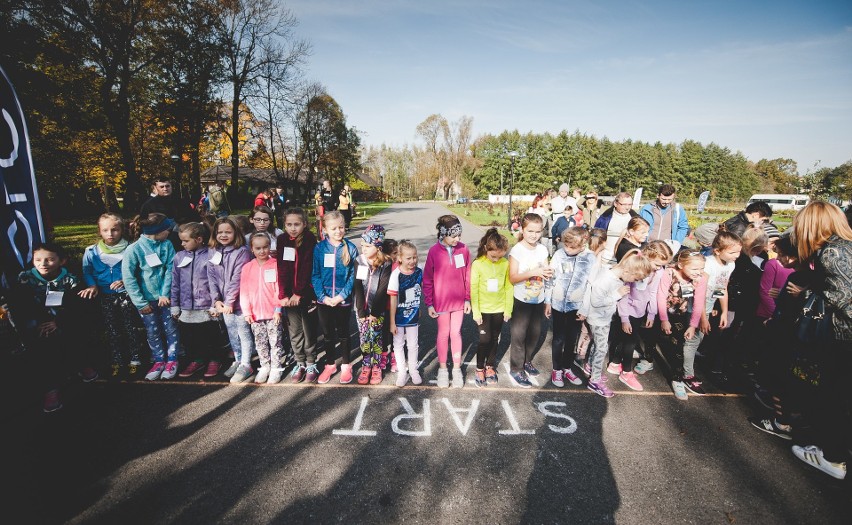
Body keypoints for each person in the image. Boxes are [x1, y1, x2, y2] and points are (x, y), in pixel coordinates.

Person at [789, 201, 852, 480]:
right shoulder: (845, 245)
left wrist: (803, 295)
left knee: (835, 397)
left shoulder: (832, 252)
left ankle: (833, 459)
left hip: (843, 337)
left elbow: (842, 296)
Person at [11, 242, 96, 412]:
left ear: (62, 261)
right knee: (43, 349)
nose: (43, 264)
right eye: (38, 260)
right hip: (38, 322)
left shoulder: (70, 279)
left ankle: (80, 364)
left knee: (74, 336)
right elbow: (21, 304)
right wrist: (43, 322)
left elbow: (76, 305)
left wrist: (59, 322)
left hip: (64, 320)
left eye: (50, 259)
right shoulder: (25, 278)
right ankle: (51, 389)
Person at [579, 250, 654, 397]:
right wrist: (617, 294)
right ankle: (594, 381)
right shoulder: (607, 279)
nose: (633, 282)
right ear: (628, 270)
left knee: (598, 345)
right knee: (601, 348)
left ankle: (591, 367)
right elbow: (596, 301)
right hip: (598, 319)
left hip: (604, 318)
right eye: (635, 278)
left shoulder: (619, 276)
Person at [80, 213, 145, 379]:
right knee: (112, 329)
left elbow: (139, 270)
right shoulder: (91, 251)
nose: (110, 234)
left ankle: (135, 359)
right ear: (99, 231)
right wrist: (92, 286)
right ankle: (117, 360)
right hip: (105, 297)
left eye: (114, 230)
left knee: (130, 327)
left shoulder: (131, 248)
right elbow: (87, 271)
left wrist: (125, 281)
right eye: (105, 230)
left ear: (122, 230)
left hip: (126, 296)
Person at [122, 213, 180, 381]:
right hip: (146, 302)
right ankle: (159, 360)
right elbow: (129, 278)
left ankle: (172, 360)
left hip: (166, 299)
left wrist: (164, 293)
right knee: (152, 332)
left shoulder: (167, 244)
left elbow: (171, 269)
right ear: (158, 230)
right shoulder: (133, 249)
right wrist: (140, 303)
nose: (170, 231)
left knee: (171, 329)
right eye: (167, 229)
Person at [423, 214, 472, 388]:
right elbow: (427, 279)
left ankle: (456, 369)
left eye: (459, 235)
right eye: (454, 235)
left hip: (459, 302)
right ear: (443, 233)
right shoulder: (433, 252)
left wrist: (467, 299)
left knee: (455, 333)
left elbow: (468, 276)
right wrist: (429, 303)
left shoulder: (464, 249)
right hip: (441, 303)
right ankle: (443, 369)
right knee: (443, 334)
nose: (457, 239)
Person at [544, 227, 595, 388]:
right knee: (558, 339)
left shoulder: (590, 258)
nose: (567, 249)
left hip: (577, 307)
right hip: (558, 304)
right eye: (566, 246)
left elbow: (590, 286)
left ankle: (567, 367)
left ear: (583, 245)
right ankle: (557, 369)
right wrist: (548, 301)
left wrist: (585, 309)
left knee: (571, 338)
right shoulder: (559, 255)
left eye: (572, 247)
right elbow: (550, 278)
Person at [312, 211, 359, 384]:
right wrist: (322, 297)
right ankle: (330, 364)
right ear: (324, 229)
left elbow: (353, 278)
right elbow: (315, 275)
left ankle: (346, 365)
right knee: (328, 334)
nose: (338, 231)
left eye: (341, 227)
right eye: (333, 228)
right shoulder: (319, 248)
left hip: (342, 301)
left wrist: (341, 296)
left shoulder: (351, 248)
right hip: (324, 301)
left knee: (344, 333)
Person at [618, 240, 674, 382]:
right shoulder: (635, 267)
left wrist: (651, 313)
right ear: (647, 256)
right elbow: (624, 294)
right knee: (628, 341)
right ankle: (626, 371)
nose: (658, 268)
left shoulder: (659, 272)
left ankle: (615, 362)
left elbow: (653, 292)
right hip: (627, 309)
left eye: (662, 265)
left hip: (640, 311)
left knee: (629, 338)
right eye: (656, 264)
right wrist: (624, 317)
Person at [656, 250, 709, 400]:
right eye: (694, 269)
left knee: (678, 347)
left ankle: (677, 378)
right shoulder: (669, 273)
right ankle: (647, 359)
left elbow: (699, 303)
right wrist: (663, 319)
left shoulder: (701, 278)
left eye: (702, 268)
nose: (699, 272)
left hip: (681, 315)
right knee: (653, 339)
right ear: (681, 264)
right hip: (662, 313)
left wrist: (693, 325)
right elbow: (660, 296)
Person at [207, 217, 254, 384]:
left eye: (228, 231)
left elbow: (238, 279)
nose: (224, 235)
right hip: (224, 304)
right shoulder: (213, 251)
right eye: (220, 232)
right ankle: (238, 359)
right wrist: (216, 300)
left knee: (243, 333)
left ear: (236, 232)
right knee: (232, 333)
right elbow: (211, 277)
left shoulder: (242, 252)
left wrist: (229, 302)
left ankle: (246, 364)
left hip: (239, 302)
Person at [507, 213, 552, 388]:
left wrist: (547, 300)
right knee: (519, 336)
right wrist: (533, 272)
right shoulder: (517, 250)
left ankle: (526, 360)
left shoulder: (542, 249)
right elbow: (512, 277)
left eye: (538, 231)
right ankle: (516, 369)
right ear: (523, 230)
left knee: (534, 333)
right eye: (530, 231)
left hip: (538, 298)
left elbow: (546, 272)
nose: (534, 235)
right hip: (521, 300)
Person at [172, 222, 221, 379]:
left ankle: (215, 360)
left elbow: (217, 281)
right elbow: (175, 283)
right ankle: (197, 360)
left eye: (186, 241)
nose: (182, 244)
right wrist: (175, 305)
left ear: (199, 239)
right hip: (186, 306)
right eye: (181, 241)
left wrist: (215, 303)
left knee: (211, 335)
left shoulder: (211, 255)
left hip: (206, 305)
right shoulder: (179, 256)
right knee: (191, 337)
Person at [277, 208, 320, 384]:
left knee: (309, 331)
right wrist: (283, 294)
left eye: (297, 224)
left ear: (304, 224)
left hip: (305, 294)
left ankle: (311, 362)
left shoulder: (309, 239)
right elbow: (282, 268)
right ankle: (299, 362)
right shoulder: (282, 240)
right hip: (289, 297)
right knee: (294, 331)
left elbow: (306, 267)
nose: (293, 228)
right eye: (289, 224)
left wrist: (298, 293)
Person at [697, 231, 743, 382]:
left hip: (709, 302)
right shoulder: (708, 264)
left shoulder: (731, 264)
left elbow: (722, 288)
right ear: (717, 251)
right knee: (695, 336)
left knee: (700, 336)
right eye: (732, 252)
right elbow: (700, 293)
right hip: (698, 303)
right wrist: (703, 317)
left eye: (739, 252)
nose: (737, 255)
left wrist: (724, 311)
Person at [470, 228, 513, 387]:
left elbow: (508, 287)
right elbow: (474, 288)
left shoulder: (505, 263)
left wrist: (508, 309)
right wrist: (476, 311)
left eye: (500, 256)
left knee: (495, 338)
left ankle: (490, 366)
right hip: (483, 310)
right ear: (486, 249)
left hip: (499, 309)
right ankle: (479, 368)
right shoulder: (478, 264)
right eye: (493, 256)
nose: (496, 259)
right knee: (484, 339)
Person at [240, 233, 285, 384]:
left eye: (265, 247)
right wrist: (247, 312)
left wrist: (278, 309)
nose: (262, 251)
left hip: (272, 313)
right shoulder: (247, 267)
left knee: (275, 341)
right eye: (258, 248)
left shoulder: (275, 264)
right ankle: (264, 366)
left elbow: (279, 289)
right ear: (252, 249)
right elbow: (244, 291)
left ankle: (276, 368)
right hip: (255, 314)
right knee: (260, 342)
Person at [353, 225, 393, 385]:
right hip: (362, 310)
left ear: (378, 247)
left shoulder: (386, 264)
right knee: (364, 339)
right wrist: (361, 312)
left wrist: (375, 313)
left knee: (376, 339)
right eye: (362, 245)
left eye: (368, 246)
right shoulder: (359, 261)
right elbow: (357, 287)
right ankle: (366, 365)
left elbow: (383, 289)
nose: (363, 249)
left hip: (377, 310)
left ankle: (376, 366)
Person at [388, 240, 424, 386]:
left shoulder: (419, 271)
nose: (412, 261)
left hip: (413, 315)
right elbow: (393, 299)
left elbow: (418, 291)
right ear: (400, 258)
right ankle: (402, 371)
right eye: (408, 258)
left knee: (413, 344)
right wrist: (392, 322)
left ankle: (413, 369)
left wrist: (419, 308)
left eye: (414, 257)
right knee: (398, 344)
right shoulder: (396, 275)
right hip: (398, 317)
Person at [594, 191, 640, 263]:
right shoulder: (604, 218)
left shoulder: (636, 220)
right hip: (605, 260)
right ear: (615, 203)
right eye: (624, 204)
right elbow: (595, 239)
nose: (627, 207)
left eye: (630, 204)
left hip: (626, 262)